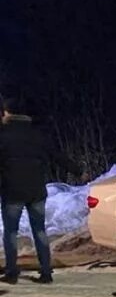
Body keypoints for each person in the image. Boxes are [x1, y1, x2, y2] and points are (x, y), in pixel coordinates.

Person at [0, 97, 54, 284]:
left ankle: (12, 272)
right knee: (39, 231)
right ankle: (46, 272)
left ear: (7, 113)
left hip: (12, 190)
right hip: (37, 190)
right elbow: (55, 153)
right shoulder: (36, 133)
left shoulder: (3, 133)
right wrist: (78, 171)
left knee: (10, 232)